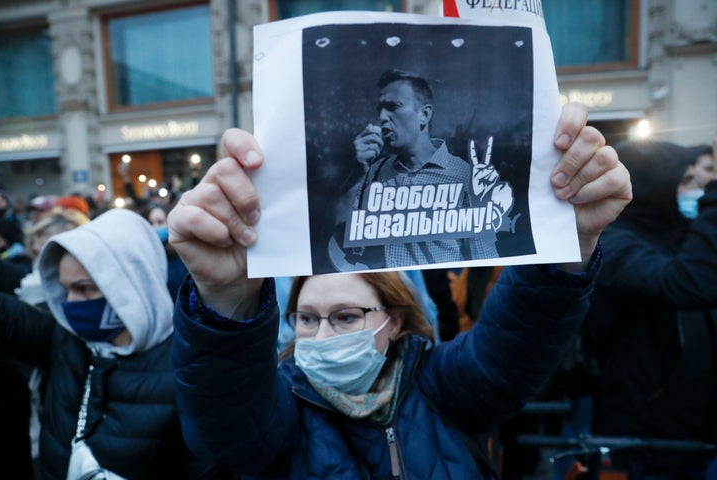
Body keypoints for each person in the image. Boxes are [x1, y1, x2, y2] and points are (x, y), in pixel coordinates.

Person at [167, 102, 632, 479]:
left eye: (346, 317)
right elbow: (226, 423)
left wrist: (564, 244)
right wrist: (225, 299)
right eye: (307, 319)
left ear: (395, 319)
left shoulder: (443, 386)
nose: (322, 337)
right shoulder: (281, 408)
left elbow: (519, 339)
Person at [0, 207, 227, 480]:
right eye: (65, 288)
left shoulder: (191, 372)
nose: (69, 302)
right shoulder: (67, 342)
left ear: (128, 284)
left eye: (83, 288)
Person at [573, 139, 717, 479]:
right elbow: (684, 282)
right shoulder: (614, 245)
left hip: (690, 435)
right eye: (683, 181)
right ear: (653, 187)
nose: (695, 188)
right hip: (640, 442)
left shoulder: (677, 234)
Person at [330, 68, 515, 270]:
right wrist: (358, 173)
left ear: (424, 115)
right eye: (380, 109)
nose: (382, 116)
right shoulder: (373, 171)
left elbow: (486, 262)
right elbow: (336, 233)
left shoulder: (465, 177)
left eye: (393, 107)